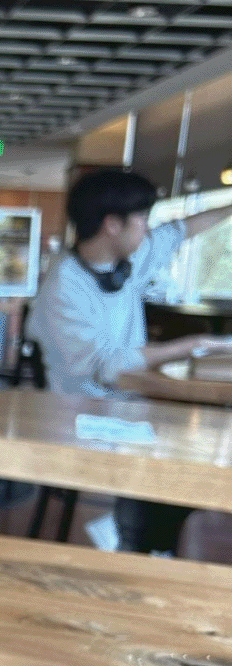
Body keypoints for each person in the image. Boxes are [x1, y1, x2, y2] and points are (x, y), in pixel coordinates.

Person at [29, 168, 232, 553]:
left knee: (195, 444)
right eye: (142, 219)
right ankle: (136, 546)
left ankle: (147, 546)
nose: (147, 229)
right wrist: (194, 344)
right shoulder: (63, 287)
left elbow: (183, 229)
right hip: (80, 419)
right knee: (182, 448)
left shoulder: (125, 263)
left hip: (124, 409)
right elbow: (109, 369)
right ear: (112, 225)